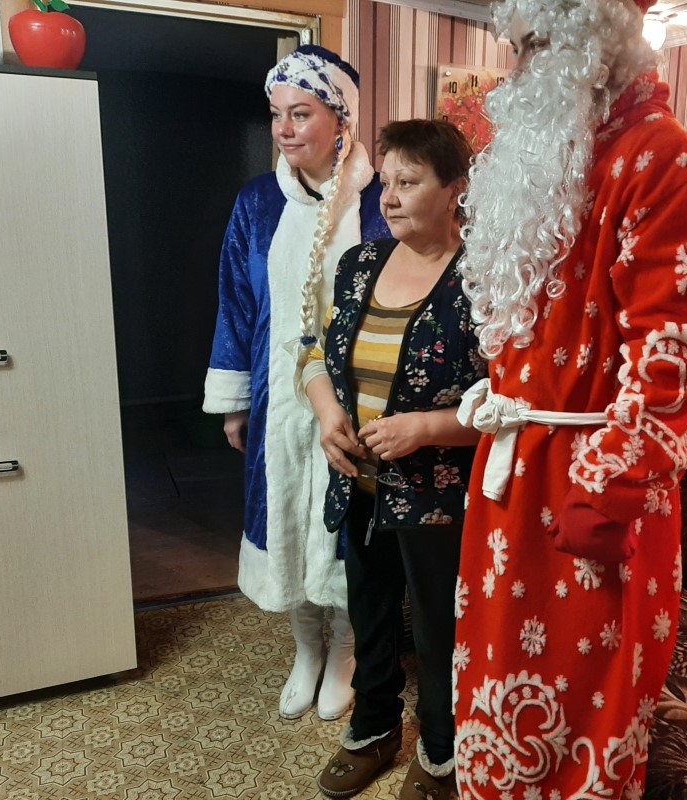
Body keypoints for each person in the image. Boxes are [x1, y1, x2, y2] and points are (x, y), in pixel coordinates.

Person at [453, 0, 687, 797]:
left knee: (579, 712)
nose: (517, 69)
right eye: (517, 47)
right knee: (495, 674)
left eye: (535, 45)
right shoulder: (562, 156)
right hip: (513, 477)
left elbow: (677, 349)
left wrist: (611, 489)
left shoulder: (667, 163)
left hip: (587, 492)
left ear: (594, 38)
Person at [203, 45, 389, 723]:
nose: (283, 129)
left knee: (343, 525)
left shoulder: (382, 202)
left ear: (341, 119)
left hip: (356, 403)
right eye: (276, 113)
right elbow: (235, 302)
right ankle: (306, 649)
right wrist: (233, 402)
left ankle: (343, 649)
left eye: (301, 113)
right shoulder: (256, 203)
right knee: (282, 515)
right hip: (277, 398)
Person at [304, 119, 486, 800]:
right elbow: (316, 354)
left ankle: (441, 751)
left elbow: (512, 403)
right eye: (386, 180)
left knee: (439, 627)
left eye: (408, 181)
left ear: (456, 189)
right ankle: (373, 729)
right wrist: (328, 413)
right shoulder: (359, 265)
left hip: (439, 492)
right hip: (359, 481)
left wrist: (427, 428)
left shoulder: (483, 280)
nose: (389, 196)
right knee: (371, 614)